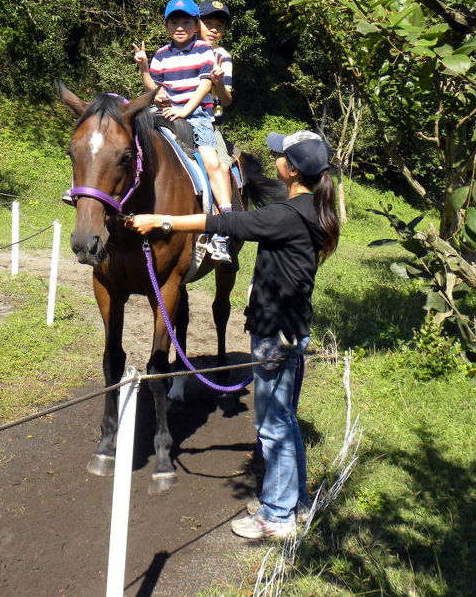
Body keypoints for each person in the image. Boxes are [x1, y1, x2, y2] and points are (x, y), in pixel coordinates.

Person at [125, 129, 340, 540]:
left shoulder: (285, 215)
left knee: (273, 425)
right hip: (293, 329)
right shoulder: (309, 207)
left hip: (275, 334)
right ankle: (293, 501)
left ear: (292, 171)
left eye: (280, 156)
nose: (274, 158)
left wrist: (161, 219)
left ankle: (276, 517)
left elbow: (224, 220)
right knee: (286, 422)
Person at [133, 0, 233, 262]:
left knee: (212, 162)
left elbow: (204, 86)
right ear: (166, 26)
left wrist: (184, 110)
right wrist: (144, 67)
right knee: (133, 139)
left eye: (185, 21)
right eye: (174, 21)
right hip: (166, 112)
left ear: (194, 24)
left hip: (197, 115)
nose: (180, 26)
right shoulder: (161, 55)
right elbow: (154, 87)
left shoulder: (204, 50)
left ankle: (225, 224)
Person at [198, 0, 234, 179]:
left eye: (219, 26)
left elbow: (227, 100)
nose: (213, 29)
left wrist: (218, 81)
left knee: (222, 167)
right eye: (208, 23)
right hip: (177, 115)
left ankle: (227, 207)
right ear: (196, 23)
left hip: (209, 122)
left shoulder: (223, 56)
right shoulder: (182, 50)